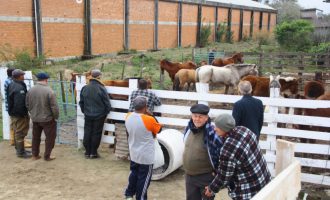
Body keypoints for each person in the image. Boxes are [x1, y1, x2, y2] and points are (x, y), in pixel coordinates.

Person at [204, 114, 271, 200]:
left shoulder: (228, 149)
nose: (214, 129)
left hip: (248, 190)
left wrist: (211, 189)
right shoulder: (244, 130)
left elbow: (224, 176)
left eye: (217, 127)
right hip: (263, 180)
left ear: (224, 128)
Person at [124, 96, 162, 200]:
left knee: (134, 173)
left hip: (134, 152)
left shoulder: (128, 116)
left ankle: (129, 194)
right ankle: (140, 198)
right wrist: (152, 115)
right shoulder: (149, 119)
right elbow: (159, 129)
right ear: (145, 107)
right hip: (146, 155)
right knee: (144, 179)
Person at [183, 104, 223, 200]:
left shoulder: (211, 133)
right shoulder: (189, 129)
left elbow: (221, 154)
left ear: (206, 118)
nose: (197, 119)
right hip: (189, 177)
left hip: (205, 177)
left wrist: (215, 174)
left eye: (200, 117)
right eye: (195, 116)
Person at [26, 72, 59, 161]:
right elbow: (54, 107)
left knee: (35, 137)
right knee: (50, 138)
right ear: (46, 80)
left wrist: (32, 113)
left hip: (35, 118)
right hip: (47, 119)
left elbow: (27, 104)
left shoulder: (31, 90)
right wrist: (56, 117)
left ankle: (34, 155)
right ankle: (47, 156)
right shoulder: (49, 91)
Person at [79, 69, 111, 159]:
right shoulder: (101, 88)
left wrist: (85, 111)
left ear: (91, 76)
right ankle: (93, 153)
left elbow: (81, 102)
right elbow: (107, 104)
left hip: (88, 114)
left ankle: (87, 152)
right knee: (96, 133)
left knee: (87, 132)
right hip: (99, 115)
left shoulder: (85, 88)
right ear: (99, 76)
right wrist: (106, 113)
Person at [7, 69, 31, 158]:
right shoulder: (18, 87)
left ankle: (20, 150)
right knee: (20, 132)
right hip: (19, 114)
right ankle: (20, 152)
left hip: (13, 113)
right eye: (22, 75)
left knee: (18, 131)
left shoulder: (12, 84)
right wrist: (23, 114)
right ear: (19, 76)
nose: (23, 76)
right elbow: (19, 103)